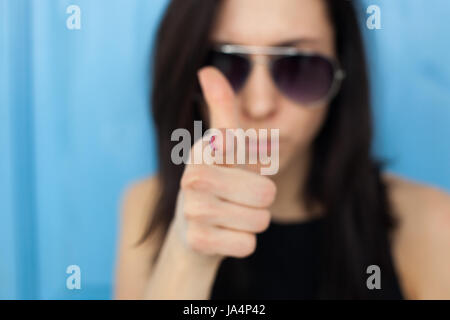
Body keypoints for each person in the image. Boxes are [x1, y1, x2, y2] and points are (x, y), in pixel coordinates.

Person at [115, 0, 450, 299]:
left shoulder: (429, 223)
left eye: (298, 66)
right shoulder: (146, 206)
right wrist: (187, 256)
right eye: (226, 64)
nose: (260, 105)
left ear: (342, 74)